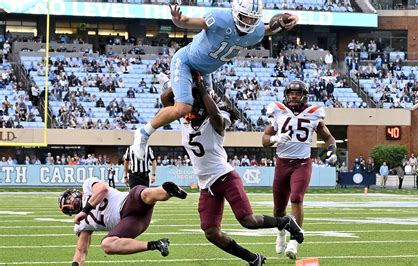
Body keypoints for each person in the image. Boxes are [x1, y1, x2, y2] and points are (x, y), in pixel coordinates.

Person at [163, 72, 303, 266]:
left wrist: (202, 88)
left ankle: (285, 222)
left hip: (225, 176)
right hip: (207, 184)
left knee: (248, 221)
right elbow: (165, 100)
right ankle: (253, 259)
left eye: (194, 104)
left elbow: (215, 117)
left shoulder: (216, 121)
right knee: (211, 232)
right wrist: (181, 83)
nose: (189, 109)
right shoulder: (185, 119)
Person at [131, 0, 299, 160]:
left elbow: (268, 28)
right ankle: (143, 133)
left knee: (200, 112)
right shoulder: (221, 18)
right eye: (245, 16)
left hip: (205, 71)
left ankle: (170, 86)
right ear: (235, 12)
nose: (248, 22)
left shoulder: (255, 32)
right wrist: (178, 20)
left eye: (252, 18)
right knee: (183, 107)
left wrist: (288, 20)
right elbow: (189, 21)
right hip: (186, 62)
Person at [261, 80, 336, 260]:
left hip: (302, 163)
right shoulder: (278, 111)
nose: (293, 96)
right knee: (279, 208)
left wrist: (332, 152)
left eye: (296, 93)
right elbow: (264, 139)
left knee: (296, 198)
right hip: (282, 163)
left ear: (303, 95)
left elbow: (328, 137)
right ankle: (280, 234)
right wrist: (276, 139)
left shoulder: (313, 113)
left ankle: (294, 240)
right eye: (290, 93)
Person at [58, 177, 188, 265]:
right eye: (67, 207)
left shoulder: (88, 186)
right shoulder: (81, 223)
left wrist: (85, 210)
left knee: (145, 194)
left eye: (68, 200)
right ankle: (157, 244)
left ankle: (167, 191)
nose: (70, 204)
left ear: (74, 193)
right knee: (107, 245)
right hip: (131, 222)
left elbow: (103, 189)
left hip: (128, 202)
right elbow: (81, 252)